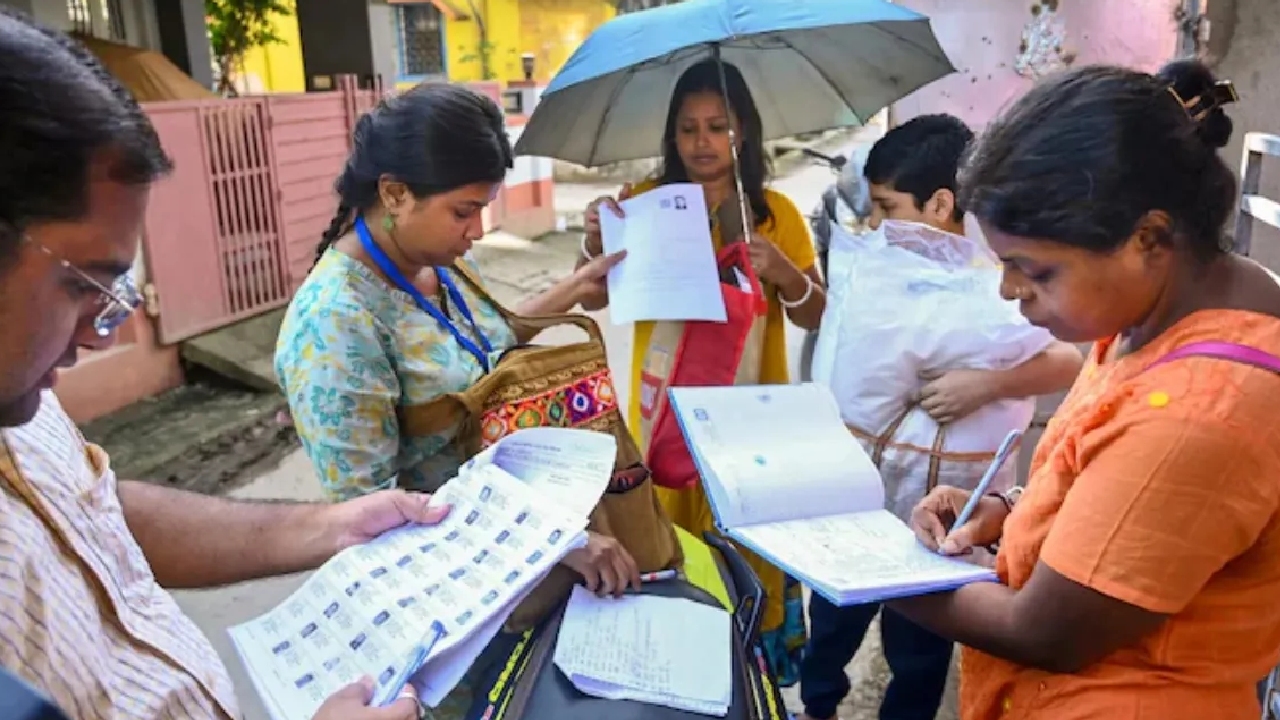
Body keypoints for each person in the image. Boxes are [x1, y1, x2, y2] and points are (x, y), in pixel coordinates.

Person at [0, 8, 436, 719]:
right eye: (82, 285)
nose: (106, 336)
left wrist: (331, 526)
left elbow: (92, 508)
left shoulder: (21, 399)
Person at [885, 61, 1280, 720]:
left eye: (1033, 271)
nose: (1009, 291)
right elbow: (1110, 481)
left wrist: (873, 578)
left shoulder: (1199, 413)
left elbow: (1048, 631)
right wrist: (1010, 511)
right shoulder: (1151, 313)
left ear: (1148, 238)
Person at [274, 82, 640, 719]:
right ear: (394, 193)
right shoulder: (335, 327)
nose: (477, 230)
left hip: (510, 573)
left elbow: (476, 342)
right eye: (464, 211)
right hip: (445, 617)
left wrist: (574, 288)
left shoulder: (430, 261)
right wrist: (555, 543)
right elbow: (375, 521)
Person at [798, 114, 1084, 720]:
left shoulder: (994, 280)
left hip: (944, 520)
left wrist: (988, 384)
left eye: (887, 205)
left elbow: (1067, 359)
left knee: (920, 654)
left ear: (940, 203)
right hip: (857, 502)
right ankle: (816, 707)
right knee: (829, 631)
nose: (875, 224)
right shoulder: (872, 266)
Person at [578, 58, 826, 684]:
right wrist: (594, 242)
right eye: (688, 128)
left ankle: (748, 680)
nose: (702, 142)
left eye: (718, 126)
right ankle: (673, 679)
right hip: (660, 421)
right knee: (664, 546)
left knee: (743, 544)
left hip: (749, 424)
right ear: (672, 135)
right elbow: (596, 299)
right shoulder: (641, 204)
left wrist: (784, 273)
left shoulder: (777, 216)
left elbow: (816, 312)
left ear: (743, 131)